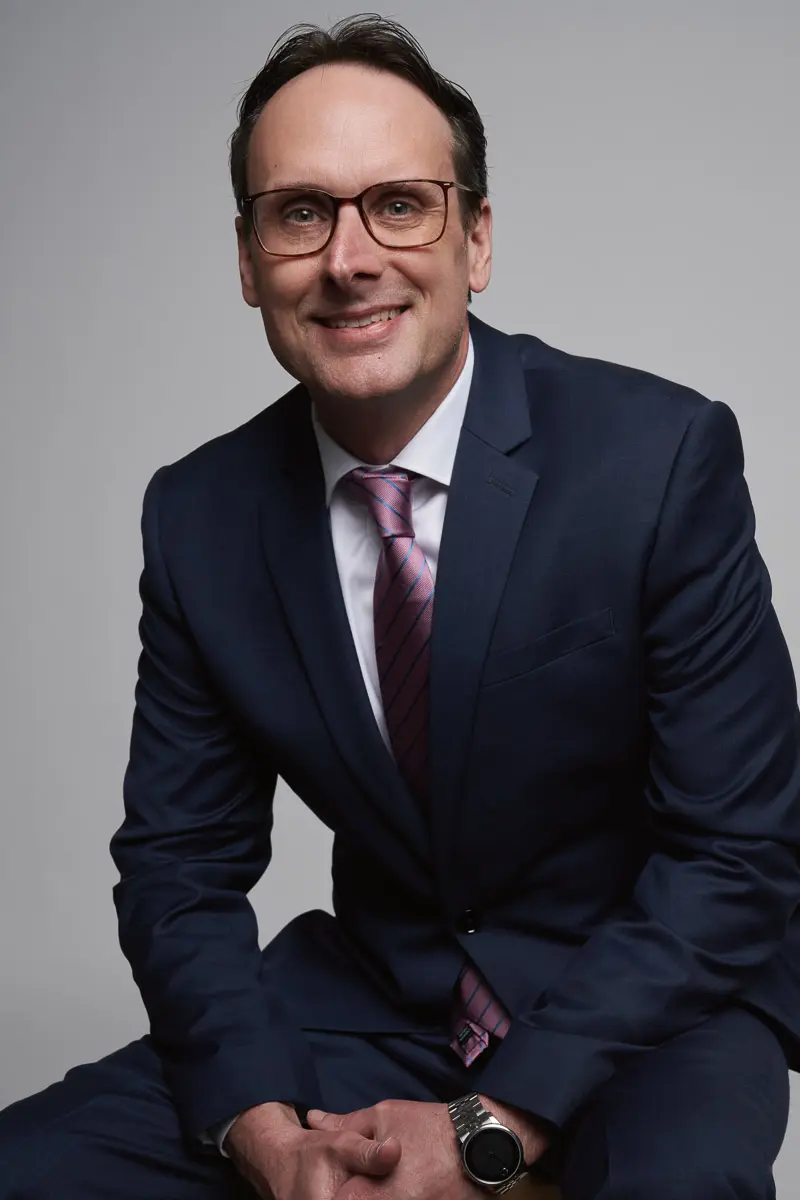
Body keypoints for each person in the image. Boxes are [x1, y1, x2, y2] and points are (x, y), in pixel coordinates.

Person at [1, 12, 798, 1200]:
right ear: (246, 258)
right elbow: (180, 865)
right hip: (374, 995)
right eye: (300, 212)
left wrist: (492, 1120)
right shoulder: (200, 516)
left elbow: (735, 854)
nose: (347, 258)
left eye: (398, 204)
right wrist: (263, 1130)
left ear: (474, 239)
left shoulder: (657, 456)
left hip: (653, 1005)